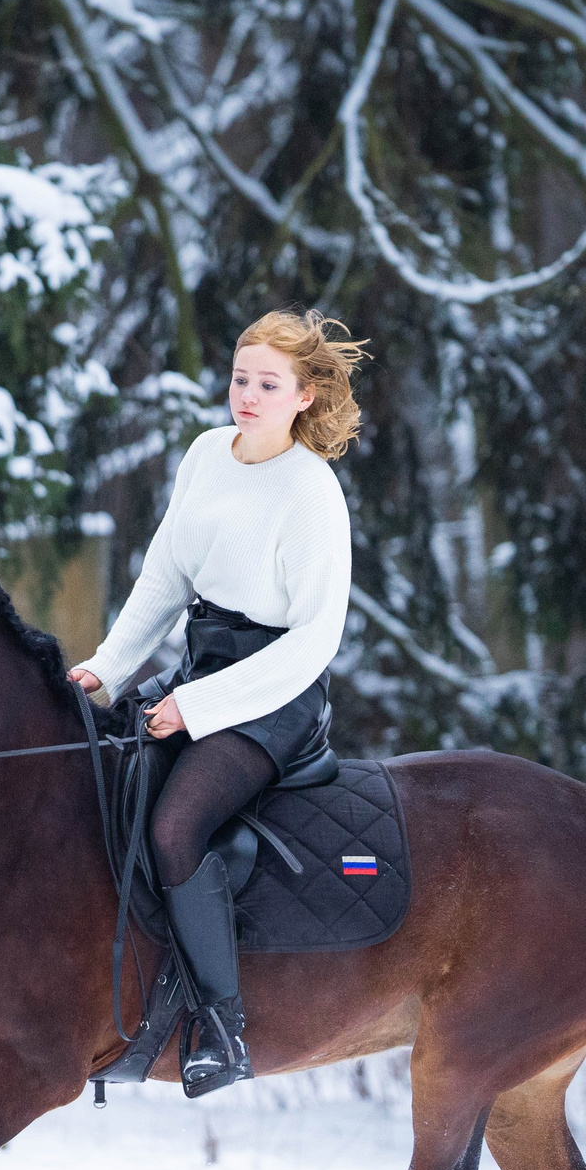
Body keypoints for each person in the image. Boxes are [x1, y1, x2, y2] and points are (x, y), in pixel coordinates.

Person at [68, 310, 367, 1097]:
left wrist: (198, 710)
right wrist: (104, 668)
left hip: (276, 696)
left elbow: (315, 639)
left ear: (304, 396)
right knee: (109, 781)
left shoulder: (312, 492)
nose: (248, 394)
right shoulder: (207, 454)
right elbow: (164, 580)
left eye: (269, 384)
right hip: (201, 667)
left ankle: (223, 1026)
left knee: (174, 825)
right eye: (241, 378)